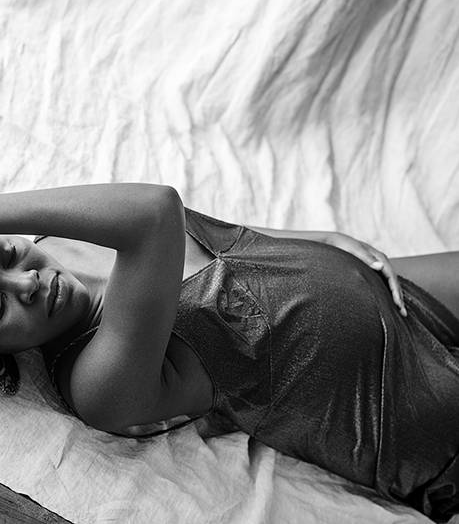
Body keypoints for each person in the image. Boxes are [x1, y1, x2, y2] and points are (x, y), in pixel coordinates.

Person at [0, 183, 457, 522]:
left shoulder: (62, 239)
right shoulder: (97, 385)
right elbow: (155, 212)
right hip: (410, 413)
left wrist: (316, 239)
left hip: (399, 294)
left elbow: (209, 234)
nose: (27, 282)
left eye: (5, 256)